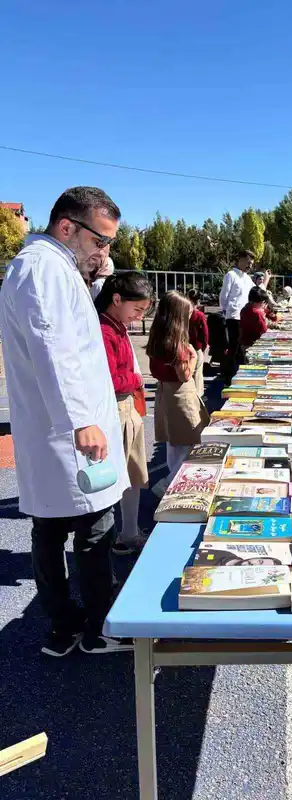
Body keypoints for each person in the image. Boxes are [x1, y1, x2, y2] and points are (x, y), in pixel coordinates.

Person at [0, 186, 131, 656]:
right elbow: (54, 349)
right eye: (100, 241)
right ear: (67, 227)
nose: (104, 251)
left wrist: (95, 273)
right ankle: (100, 628)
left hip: (53, 432)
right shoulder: (43, 269)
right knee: (94, 530)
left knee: (49, 532)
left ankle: (63, 628)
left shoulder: (49, 266)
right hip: (68, 431)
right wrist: (81, 421)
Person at [95, 272, 155, 555]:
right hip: (117, 410)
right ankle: (121, 538)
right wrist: (135, 379)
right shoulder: (105, 330)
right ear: (116, 299)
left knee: (133, 476)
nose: (139, 316)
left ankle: (129, 532)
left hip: (127, 408)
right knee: (119, 480)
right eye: (138, 309)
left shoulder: (116, 325)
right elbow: (107, 379)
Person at [147, 291, 210, 498]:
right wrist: (192, 357)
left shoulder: (158, 338)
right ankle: (169, 486)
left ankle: (170, 483)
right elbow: (184, 375)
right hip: (181, 397)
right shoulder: (178, 344)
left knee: (173, 445)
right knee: (188, 444)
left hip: (164, 392)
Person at [219, 250, 255, 384]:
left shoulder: (247, 278)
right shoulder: (231, 275)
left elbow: (256, 292)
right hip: (233, 318)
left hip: (245, 318)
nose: (249, 265)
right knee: (232, 348)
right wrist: (226, 311)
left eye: (251, 263)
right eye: (248, 262)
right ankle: (228, 378)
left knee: (242, 350)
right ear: (240, 260)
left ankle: (239, 377)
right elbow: (224, 296)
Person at [187, 289, 210, 398]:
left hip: (185, 345)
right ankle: (198, 395)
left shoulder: (183, 313)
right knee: (197, 373)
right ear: (198, 301)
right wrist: (205, 345)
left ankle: (189, 393)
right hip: (196, 346)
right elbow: (205, 332)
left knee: (188, 372)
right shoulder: (199, 315)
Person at [239, 286, 270, 360]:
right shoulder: (257, 313)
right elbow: (264, 330)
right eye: (262, 302)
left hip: (244, 342)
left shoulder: (244, 309)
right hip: (255, 344)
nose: (263, 304)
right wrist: (265, 319)